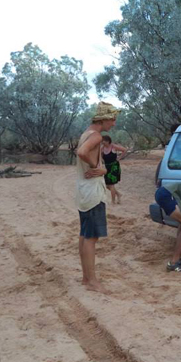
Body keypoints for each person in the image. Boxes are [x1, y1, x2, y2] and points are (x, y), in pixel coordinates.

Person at [75, 101, 120, 292]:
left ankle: (86, 278)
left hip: (83, 191)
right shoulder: (96, 136)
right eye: (113, 119)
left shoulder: (86, 133)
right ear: (105, 118)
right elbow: (82, 152)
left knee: (85, 235)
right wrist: (97, 167)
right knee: (91, 237)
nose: (114, 123)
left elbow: (81, 151)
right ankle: (92, 281)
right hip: (92, 192)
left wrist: (95, 166)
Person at [100, 135, 128, 204]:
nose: (102, 142)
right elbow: (99, 155)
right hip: (107, 167)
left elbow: (124, 150)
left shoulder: (113, 146)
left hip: (114, 167)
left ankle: (113, 201)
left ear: (107, 141)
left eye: (103, 141)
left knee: (111, 184)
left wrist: (119, 158)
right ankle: (118, 194)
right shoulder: (102, 148)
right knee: (107, 185)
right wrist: (102, 160)